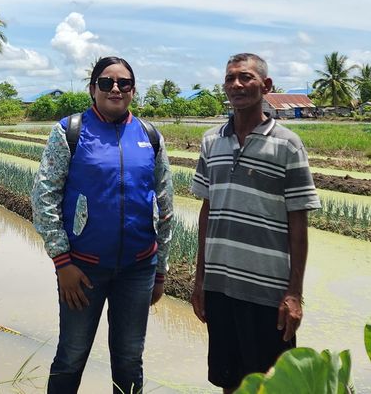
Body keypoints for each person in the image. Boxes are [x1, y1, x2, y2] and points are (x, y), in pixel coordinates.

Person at [31, 56, 175, 394]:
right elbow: (43, 197)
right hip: (82, 272)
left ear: (133, 90)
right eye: (106, 82)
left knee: (129, 360)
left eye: (123, 83)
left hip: (138, 270)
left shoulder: (149, 136)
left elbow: (165, 205)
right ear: (92, 88)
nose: (115, 88)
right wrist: (62, 262)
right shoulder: (70, 131)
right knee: (71, 355)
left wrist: (160, 270)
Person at [190, 53, 320, 391]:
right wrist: (200, 279)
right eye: (230, 78)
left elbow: (298, 222)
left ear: (266, 86)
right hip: (219, 288)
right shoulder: (211, 141)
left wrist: (294, 293)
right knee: (228, 381)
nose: (236, 85)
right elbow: (207, 212)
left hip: (267, 294)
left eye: (245, 77)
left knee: (271, 384)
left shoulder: (288, 144)